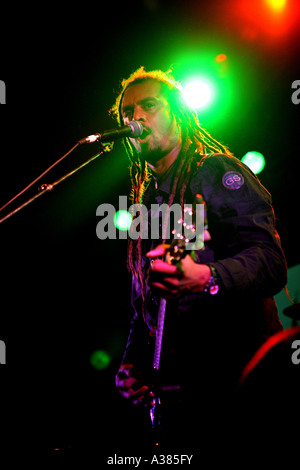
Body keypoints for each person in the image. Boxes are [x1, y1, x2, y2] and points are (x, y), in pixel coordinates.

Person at [111, 67, 287, 453]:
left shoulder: (215, 172)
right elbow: (146, 303)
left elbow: (270, 262)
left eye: (149, 106)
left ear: (178, 114)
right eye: (127, 113)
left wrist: (207, 276)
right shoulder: (147, 203)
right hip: (184, 400)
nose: (134, 118)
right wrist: (131, 364)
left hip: (240, 383)